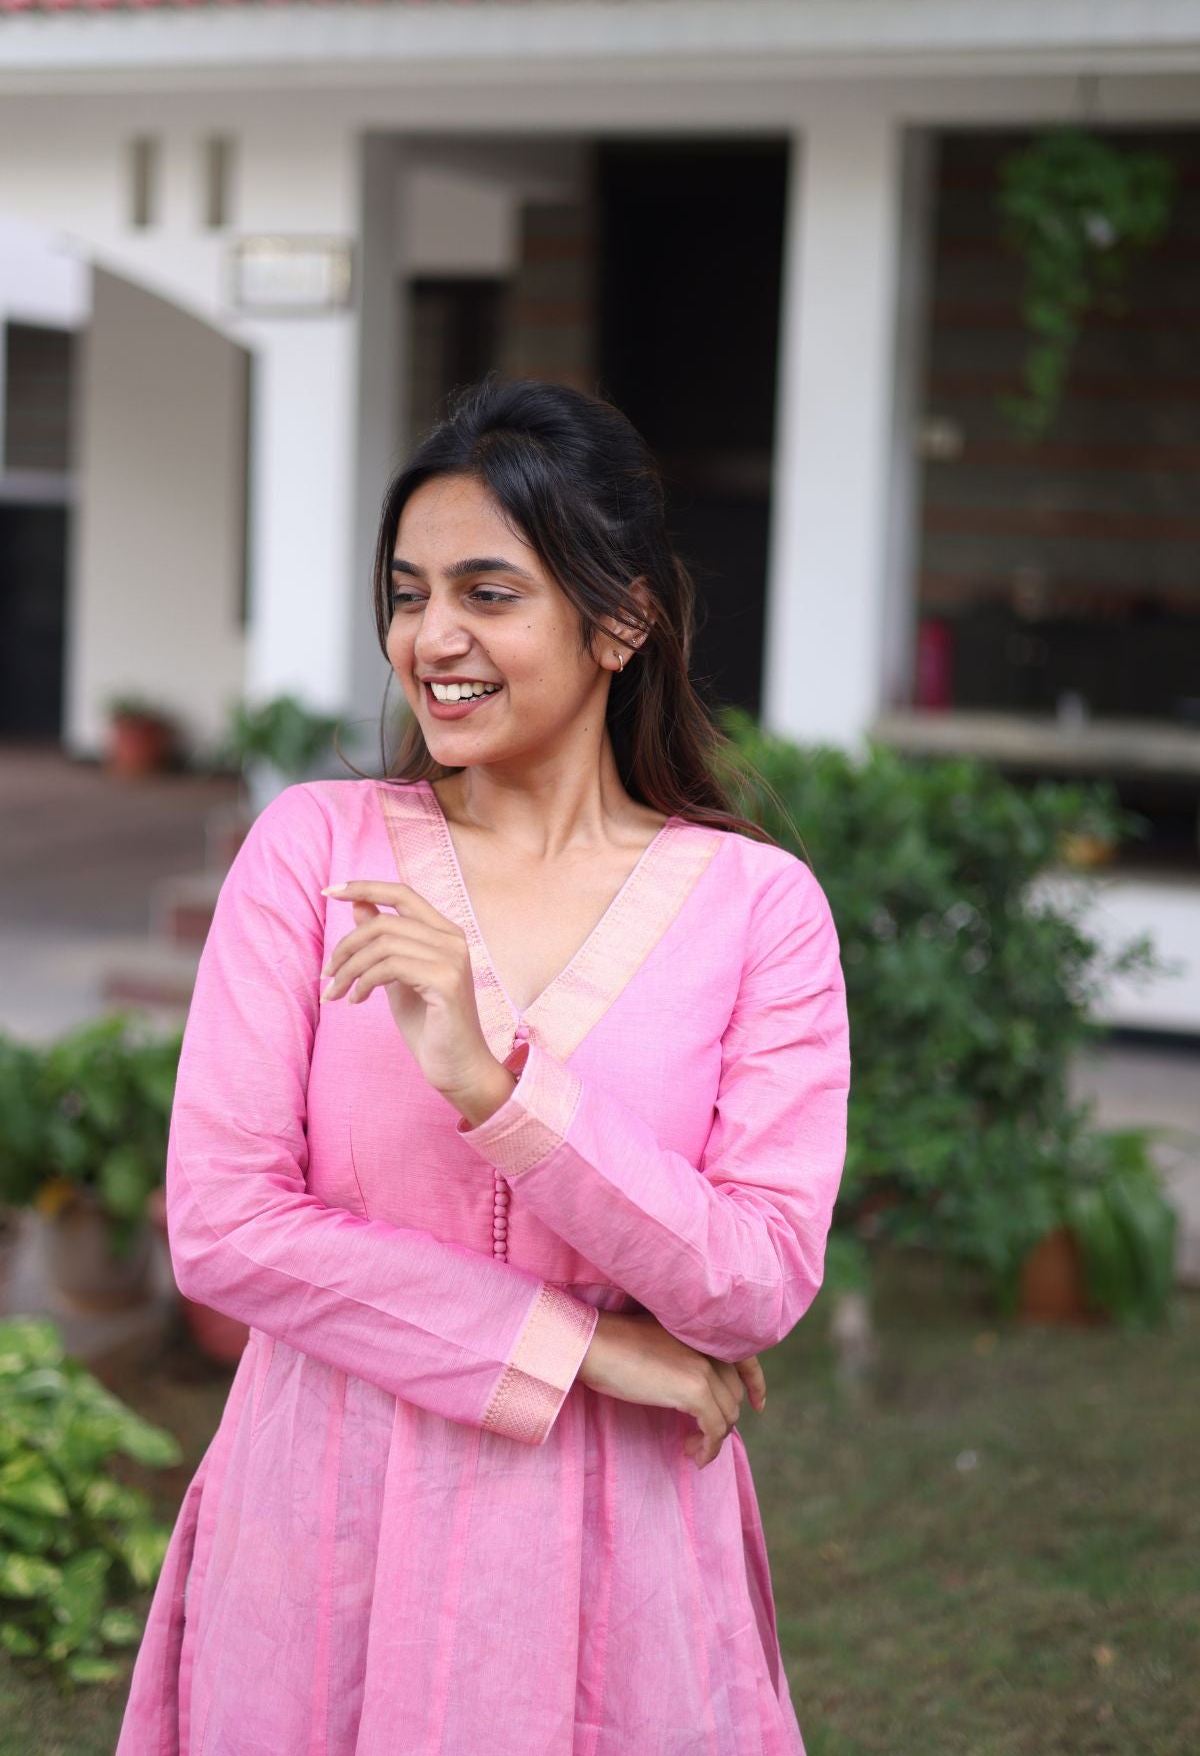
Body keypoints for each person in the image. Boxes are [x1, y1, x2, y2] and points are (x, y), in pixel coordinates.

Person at [115, 377, 851, 1756]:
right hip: (325, 1517)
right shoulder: (314, 855)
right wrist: (584, 1351)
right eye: (407, 592)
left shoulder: (758, 913)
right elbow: (223, 1230)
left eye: (488, 593)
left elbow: (754, 1277)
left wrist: (502, 1094)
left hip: (615, 1552)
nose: (431, 639)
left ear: (623, 619)